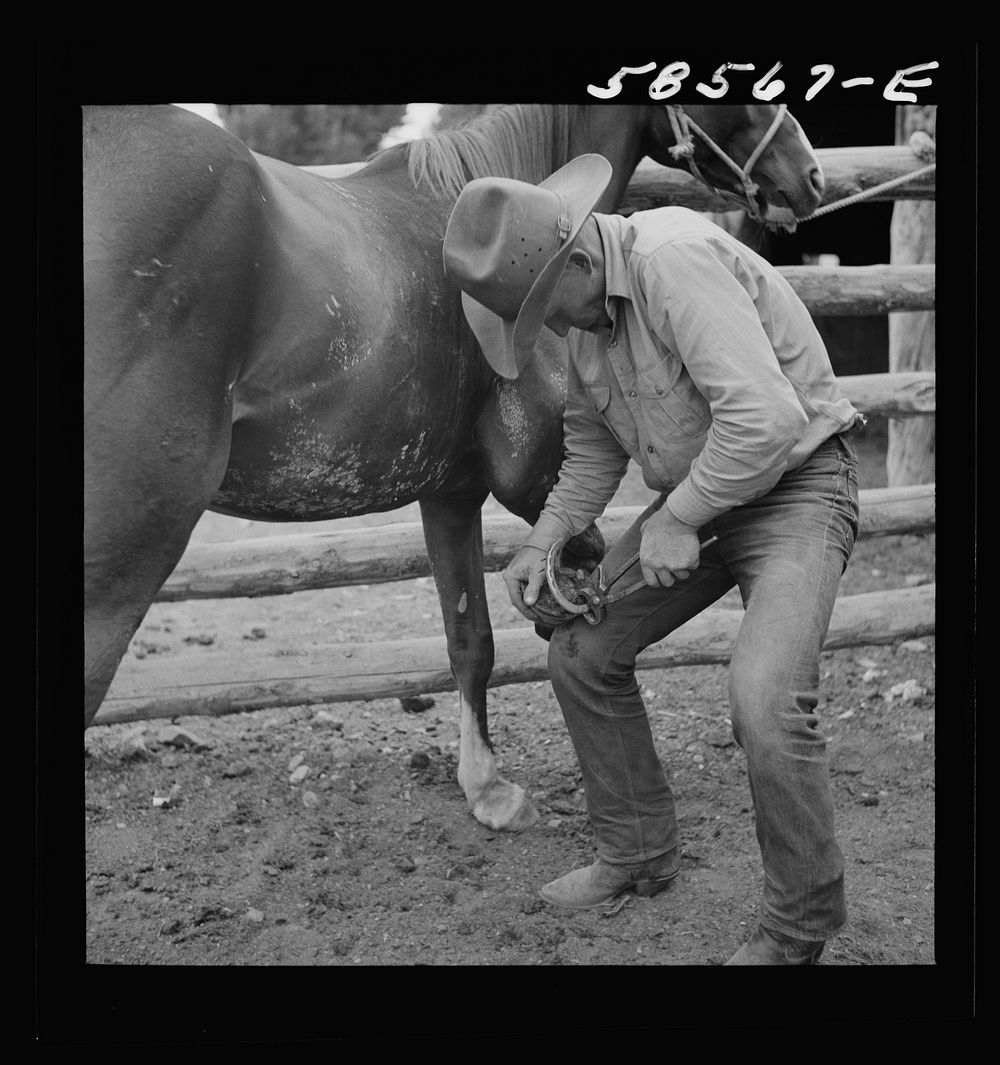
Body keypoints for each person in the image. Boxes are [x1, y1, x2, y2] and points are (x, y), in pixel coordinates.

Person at [442, 154, 862, 966]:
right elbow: (594, 447)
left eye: (540, 311)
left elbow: (768, 422)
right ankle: (637, 851)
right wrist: (545, 537)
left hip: (801, 485)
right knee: (583, 650)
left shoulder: (672, 259)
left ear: (583, 260)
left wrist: (680, 517)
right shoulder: (592, 321)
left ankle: (798, 928)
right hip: (707, 498)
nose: (546, 332)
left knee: (765, 701)